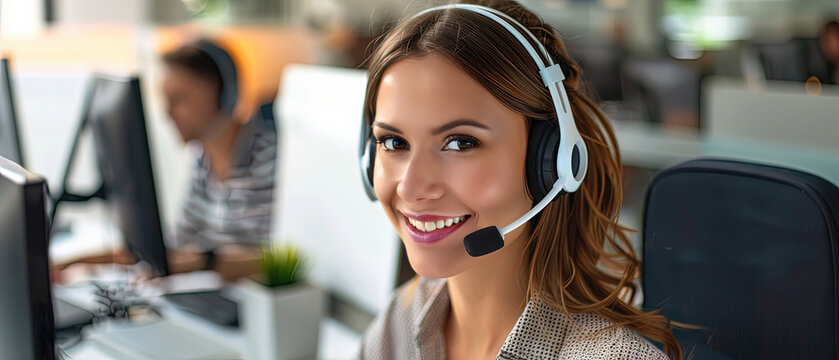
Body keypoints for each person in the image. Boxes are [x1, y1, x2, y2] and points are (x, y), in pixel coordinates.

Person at [356, 1, 681, 359]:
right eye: (394, 142)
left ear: (551, 160)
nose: (412, 188)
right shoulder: (401, 320)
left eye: (461, 143)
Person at [55, 40, 277, 281]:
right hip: (210, 297)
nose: (168, 113)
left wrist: (204, 262)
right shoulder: (202, 162)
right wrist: (66, 263)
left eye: (179, 99)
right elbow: (171, 252)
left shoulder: (272, 160)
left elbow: (285, 260)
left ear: (224, 95)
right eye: (165, 100)